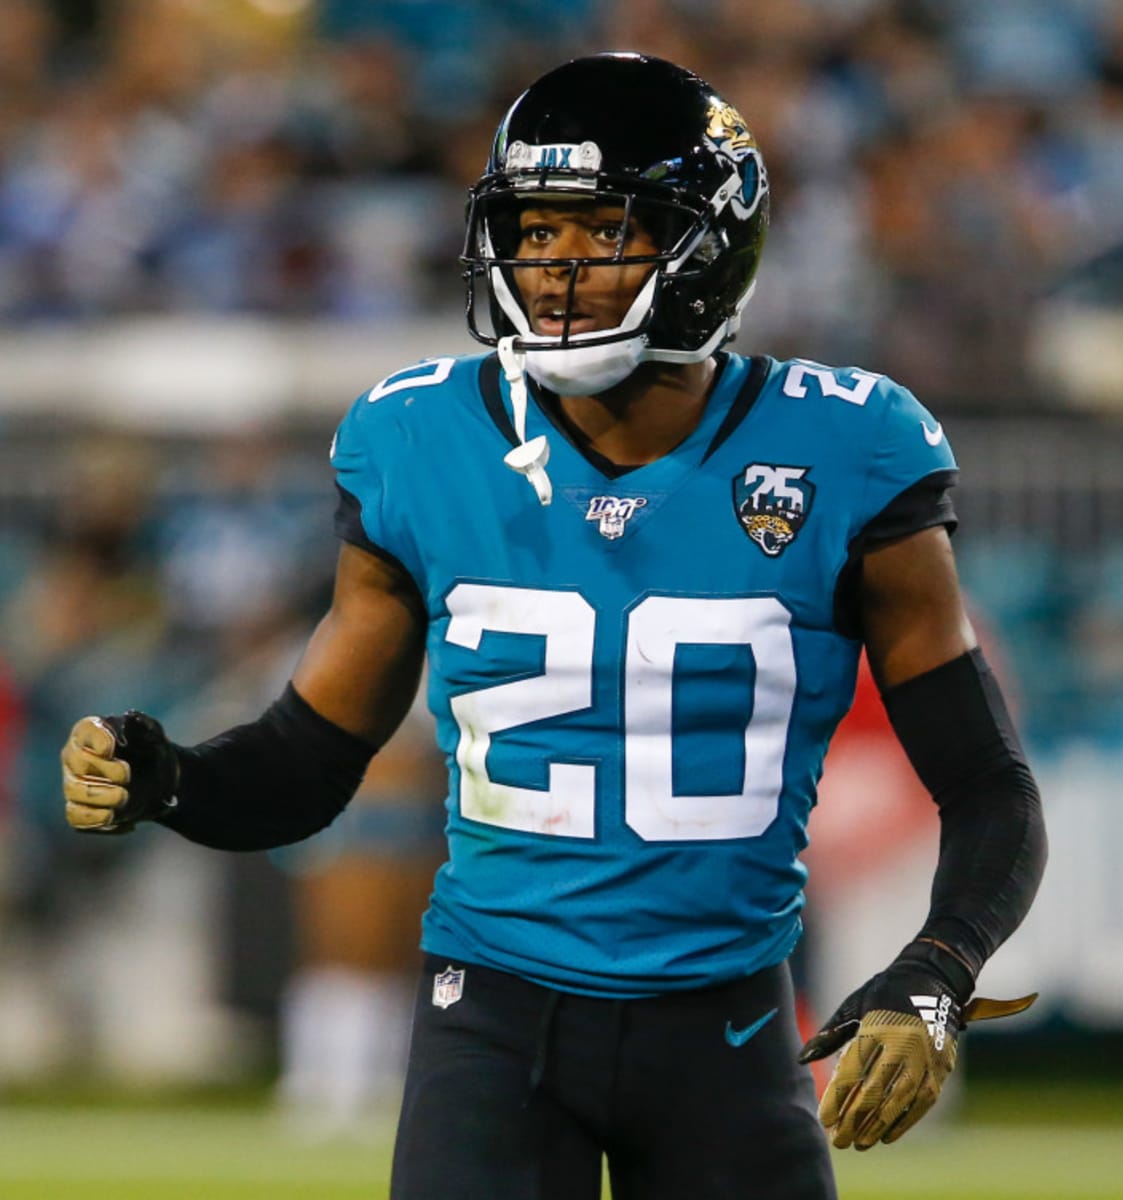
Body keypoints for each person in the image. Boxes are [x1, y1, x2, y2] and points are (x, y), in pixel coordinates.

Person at [61, 52, 1048, 1200]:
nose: (558, 268)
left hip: (726, 1028)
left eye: (602, 230)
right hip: (491, 1023)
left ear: (706, 245)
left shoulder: (847, 447)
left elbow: (987, 783)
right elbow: (309, 759)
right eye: (533, 233)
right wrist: (170, 778)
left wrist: (937, 970)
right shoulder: (419, 439)